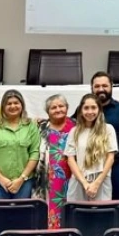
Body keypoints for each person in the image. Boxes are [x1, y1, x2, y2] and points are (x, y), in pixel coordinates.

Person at [0, 90, 40, 200]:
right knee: (0, 214)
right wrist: (1, 178)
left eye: (16, 103)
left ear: (22, 105)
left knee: (22, 213)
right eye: (9, 104)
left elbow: (34, 154)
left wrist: (21, 179)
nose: (13, 106)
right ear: (3, 107)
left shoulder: (31, 126)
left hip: (24, 182)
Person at [65, 94, 118, 201]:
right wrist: (85, 183)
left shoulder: (108, 129)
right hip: (79, 180)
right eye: (86, 108)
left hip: (101, 180)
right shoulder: (74, 131)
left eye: (93, 107)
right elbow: (70, 159)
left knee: (99, 216)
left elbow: (110, 158)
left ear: (99, 109)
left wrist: (96, 183)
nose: (90, 112)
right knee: (77, 215)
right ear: (81, 110)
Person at [87, 72, 119, 201]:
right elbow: (70, 124)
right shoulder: (85, 108)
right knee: (92, 203)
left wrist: (115, 134)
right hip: (90, 165)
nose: (101, 89)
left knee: (118, 203)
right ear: (92, 88)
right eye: (97, 86)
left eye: (105, 86)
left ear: (111, 86)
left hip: (116, 164)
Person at [37, 94, 75, 228]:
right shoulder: (41, 127)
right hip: (48, 180)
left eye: (61, 106)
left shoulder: (76, 126)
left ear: (67, 108)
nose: (58, 110)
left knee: (70, 212)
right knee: (49, 212)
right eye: (53, 107)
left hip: (72, 179)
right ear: (48, 111)